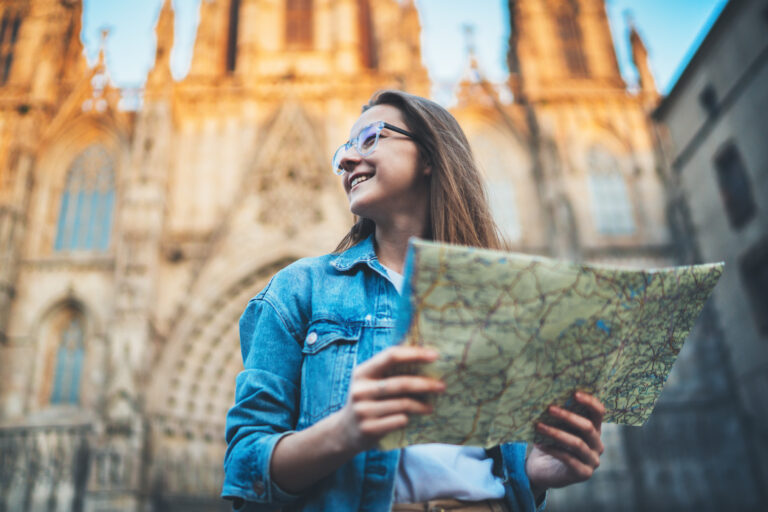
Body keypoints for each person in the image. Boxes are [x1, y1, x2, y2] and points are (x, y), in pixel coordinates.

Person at [222, 90, 605, 512]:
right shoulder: (299, 290)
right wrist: (345, 431)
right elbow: (245, 467)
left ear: (429, 156)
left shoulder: (504, 306)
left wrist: (532, 478)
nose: (347, 159)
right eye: (345, 150)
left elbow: (490, 470)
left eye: (369, 138)